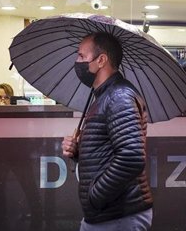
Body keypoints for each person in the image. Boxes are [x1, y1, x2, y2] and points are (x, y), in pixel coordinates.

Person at [61, 32, 153, 230]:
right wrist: (78, 150)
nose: (77, 62)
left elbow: (132, 157)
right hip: (106, 215)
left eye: (81, 56)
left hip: (117, 216)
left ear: (101, 60)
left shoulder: (118, 96)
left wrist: (95, 195)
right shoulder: (104, 96)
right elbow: (106, 151)